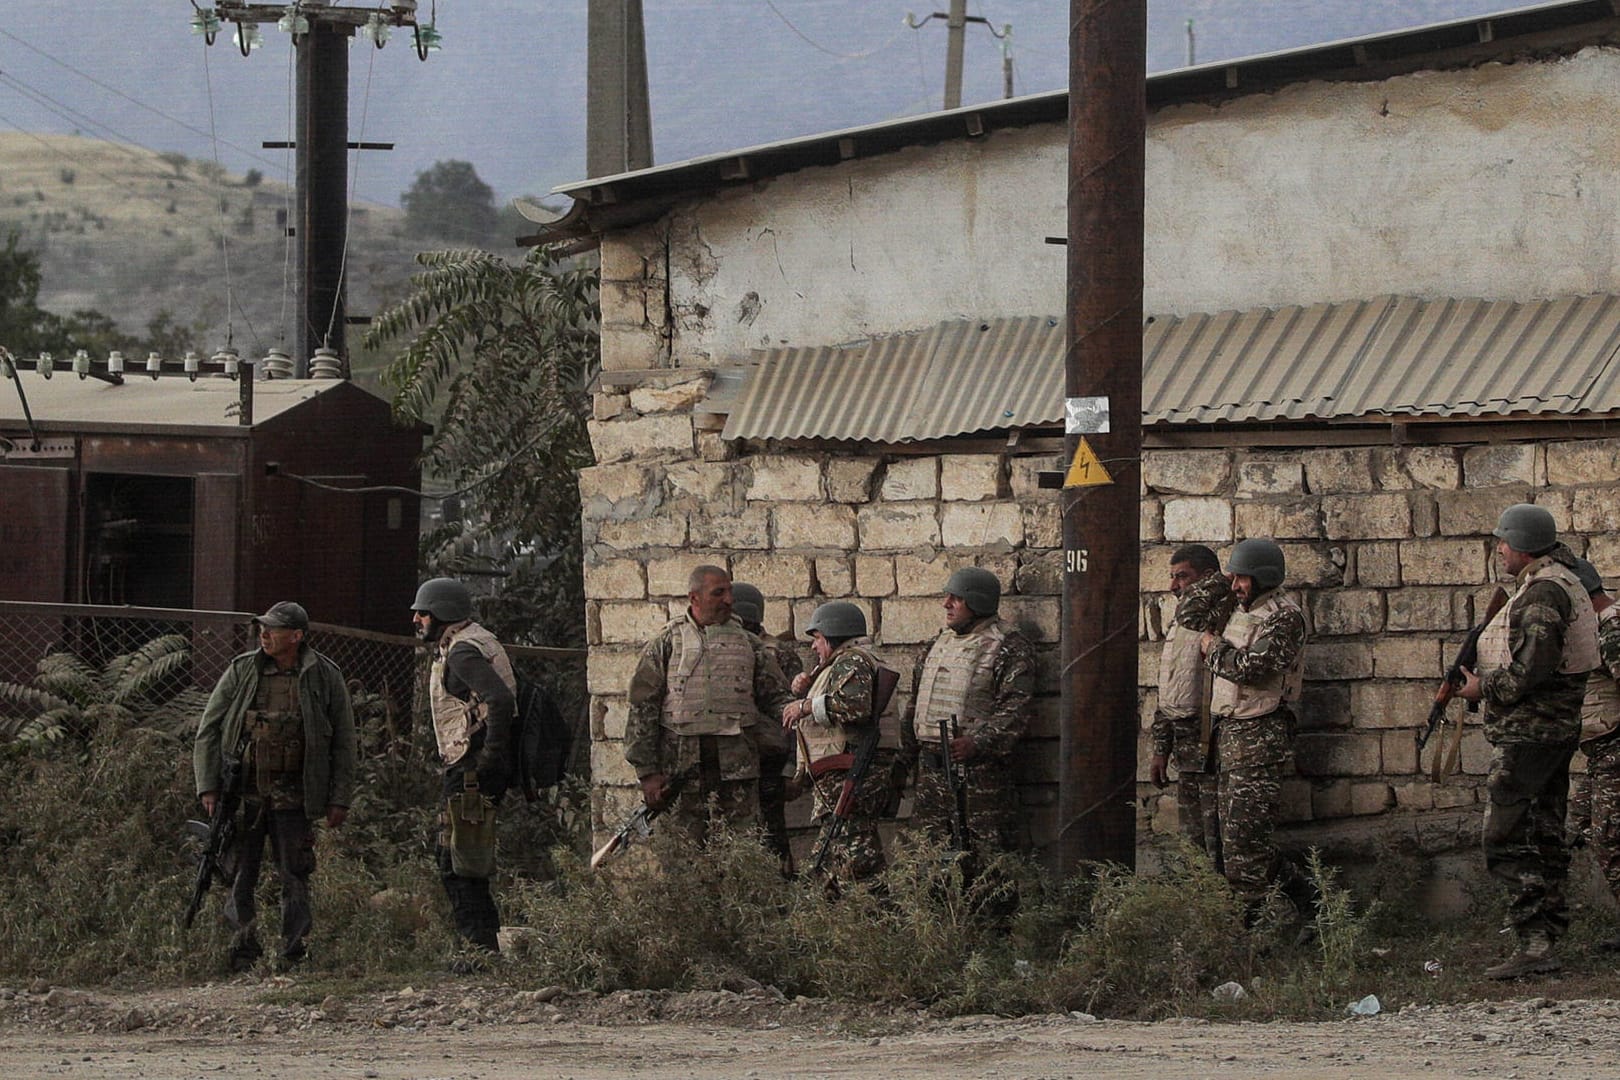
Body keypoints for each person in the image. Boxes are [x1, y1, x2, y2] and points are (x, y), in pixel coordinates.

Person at [1458, 504, 1597, 978]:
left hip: (1531, 734)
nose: (1498, 549)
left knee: (1504, 835)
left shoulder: (1542, 594)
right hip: (1548, 732)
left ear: (1522, 544)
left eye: (1502, 541)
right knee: (1543, 830)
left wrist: (1482, 689)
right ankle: (1547, 938)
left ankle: (1535, 944)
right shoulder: (1556, 581)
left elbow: (1532, 669)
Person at [193, 601, 356, 972]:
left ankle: (295, 954)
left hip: (296, 795)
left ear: (296, 636)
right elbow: (209, 729)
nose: (264, 635)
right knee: (239, 875)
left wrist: (339, 797)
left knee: (295, 875)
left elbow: (345, 741)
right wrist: (208, 786)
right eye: (262, 628)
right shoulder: (243, 671)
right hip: (244, 793)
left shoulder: (324, 676)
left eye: (273, 629)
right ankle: (242, 953)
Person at [625, 565, 795, 843]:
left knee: (743, 856)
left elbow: (777, 699)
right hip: (680, 775)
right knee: (685, 858)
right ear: (694, 598)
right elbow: (642, 708)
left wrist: (803, 712)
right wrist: (647, 773)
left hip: (737, 774)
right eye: (719, 593)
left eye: (729, 592)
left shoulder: (750, 645)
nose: (729, 600)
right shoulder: (666, 644)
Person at [1199, 538, 1313, 928]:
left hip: (1259, 737)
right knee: (1231, 845)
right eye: (1234, 579)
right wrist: (1219, 581)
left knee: (1248, 845)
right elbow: (1189, 613)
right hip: (1228, 736)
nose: (1236, 587)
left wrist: (1213, 649)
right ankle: (1283, 916)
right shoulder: (1237, 610)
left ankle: (1304, 909)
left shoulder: (1285, 616)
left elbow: (1253, 667)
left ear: (1264, 578)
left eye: (1243, 579)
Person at [412, 576, 517, 964]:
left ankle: (479, 950)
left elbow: (500, 700)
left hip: (471, 769)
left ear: (442, 614)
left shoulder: (462, 653)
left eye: (423, 613)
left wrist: (488, 755)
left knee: (456, 859)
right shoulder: (474, 639)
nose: (417, 620)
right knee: (465, 855)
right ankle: (482, 945)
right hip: (475, 765)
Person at [901, 567, 1035, 856]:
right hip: (931, 777)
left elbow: (1015, 709)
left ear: (978, 603)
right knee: (926, 862)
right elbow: (915, 704)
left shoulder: (1008, 645)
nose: (946, 604)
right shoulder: (937, 644)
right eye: (947, 597)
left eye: (956, 598)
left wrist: (977, 742)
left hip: (978, 778)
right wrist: (903, 762)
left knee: (987, 865)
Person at [781, 601, 899, 885]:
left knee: (856, 862)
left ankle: (874, 915)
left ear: (833, 635)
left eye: (817, 639)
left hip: (853, 774)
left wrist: (805, 706)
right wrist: (808, 687)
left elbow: (854, 706)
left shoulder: (852, 659)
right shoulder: (845, 662)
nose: (813, 647)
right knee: (837, 859)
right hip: (845, 776)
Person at [1150, 544, 1236, 868]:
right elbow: (1170, 689)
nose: (1174, 586)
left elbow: (1198, 609)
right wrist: (1161, 749)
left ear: (1206, 579)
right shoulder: (1181, 624)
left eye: (1182, 577)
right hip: (1186, 755)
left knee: (1220, 849)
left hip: (1213, 751)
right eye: (1172, 577)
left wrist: (1214, 583)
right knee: (1193, 850)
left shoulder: (1220, 611)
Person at [1565, 557, 1620, 949]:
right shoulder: (1598, 628)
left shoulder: (1612, 629)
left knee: (1608, 835)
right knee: (1584, 822)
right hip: (1602, 749)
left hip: (1616, 747)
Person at [731, 582, 805, 873]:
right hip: (738, 760)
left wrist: (791, 768)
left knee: (772, 835)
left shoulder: (778, 653)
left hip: (769, 760)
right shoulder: (729, 647)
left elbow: (793, 715)